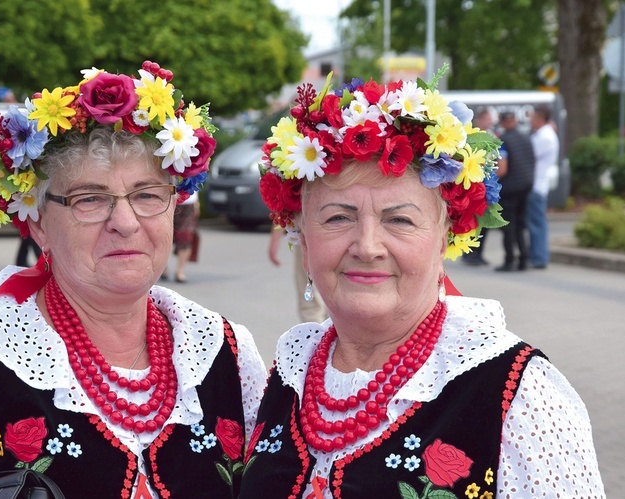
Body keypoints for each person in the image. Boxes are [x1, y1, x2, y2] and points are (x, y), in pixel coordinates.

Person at [0, 63, 267, 497]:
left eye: (146, 194)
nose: (125, 222)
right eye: (89, 199)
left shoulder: (225, 350)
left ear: (173, 207)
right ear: (40, 224)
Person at [241, 73, 604, 498]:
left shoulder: (519, 398)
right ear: (302, 235)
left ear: (445, 238)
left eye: (400, 220)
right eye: (338, 217)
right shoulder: (291, 368)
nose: (367, 246)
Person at [494, 111, 534, 272]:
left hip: (510, 189)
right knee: (521, 224)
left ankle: (509, 260)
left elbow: (502, 169)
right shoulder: (526, 137)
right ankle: (524, 259)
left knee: (508, 225)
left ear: (503, 122)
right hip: (525, 186)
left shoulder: (503, 141)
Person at [268, 224, 328, 323]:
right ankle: (319, 330)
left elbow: (284, 209)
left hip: (309, 225)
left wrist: (276, 237)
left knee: (312, 301)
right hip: (315, 227)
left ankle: (316, 331)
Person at [460, 107, 495, 267]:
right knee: (472, 220)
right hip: (472, 183)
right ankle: (469, 253)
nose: (490, 122)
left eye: (490, 119)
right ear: (479, 121)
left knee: (484, 222)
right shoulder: (470, 137)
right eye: (487, 119)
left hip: (487, 185)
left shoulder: (492, 137)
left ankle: (479, 253)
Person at [528, 104, 559, 269]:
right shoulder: (543, 134)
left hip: (537, 185)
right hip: (536, 184)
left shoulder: (545, 136)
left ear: (540, 118)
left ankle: (539, 257)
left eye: (533, 118)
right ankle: (535, 254)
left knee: (536, 223)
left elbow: (529, 153)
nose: (530, 121)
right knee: (534, 221)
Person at [165, 190, 200, 283]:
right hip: (167, 202)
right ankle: (162, 268)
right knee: (163, 236)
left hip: (189, 204)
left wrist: (197, 203)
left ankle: (180, 271)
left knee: (186, 236)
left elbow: (195, 182)